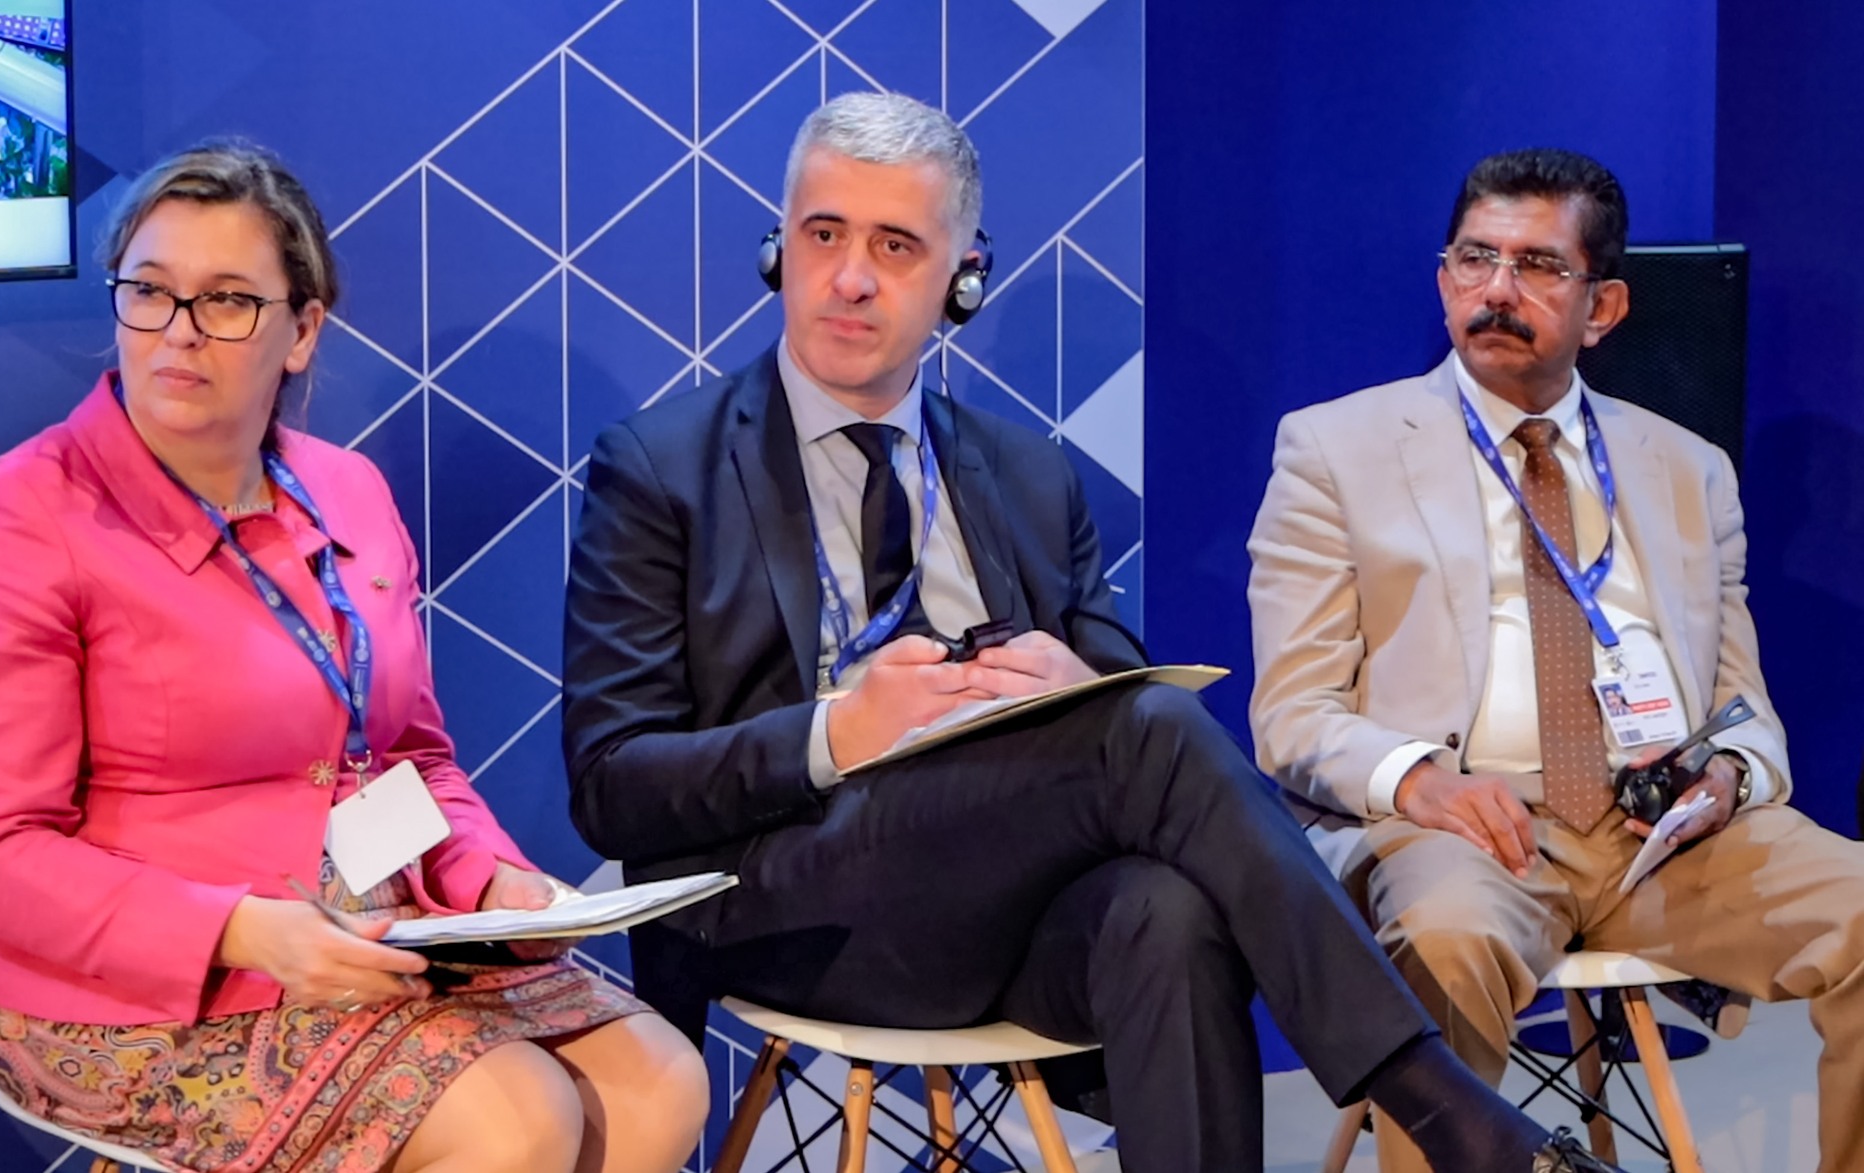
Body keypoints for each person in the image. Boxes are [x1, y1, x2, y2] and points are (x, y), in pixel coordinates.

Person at [563, 93, 1617, 1173]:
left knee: (1165, 911)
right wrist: (837, 733)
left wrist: (1072, 679)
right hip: (794, 904)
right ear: (776, 248)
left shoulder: (1025, 472)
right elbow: (610, 784)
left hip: (1005, 908)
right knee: (1150, 732)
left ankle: (1436, 1113)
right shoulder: (661, 467)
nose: (850, 278)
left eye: (895, 245)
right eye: (822, 234)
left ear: (963, 275)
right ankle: (1441, 1105)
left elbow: (1124, 716)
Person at [0, 139, 708, 1173]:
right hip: (126, 977)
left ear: (302, 330)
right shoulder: (19, 518)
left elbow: (406, 755)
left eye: (227, 300)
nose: (178, 330)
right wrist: (243, 931)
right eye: (149, 292)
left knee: (661, 1082)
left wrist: (486, 877)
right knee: (517, 1122)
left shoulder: (350, 492)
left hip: (363, 926)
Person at [1248, 147, 1864, 1173]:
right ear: (1443, 278)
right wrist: (1421, 782)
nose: (1497, 290)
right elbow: (1293, 715)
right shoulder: (1332, 451)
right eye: (1474, 259)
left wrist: (1724, 775)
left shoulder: (1688, 468)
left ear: (1602, 306)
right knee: (1444, 943)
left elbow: (1741, 703)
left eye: (1537, 266)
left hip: (1661, 838)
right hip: (1461, 827)